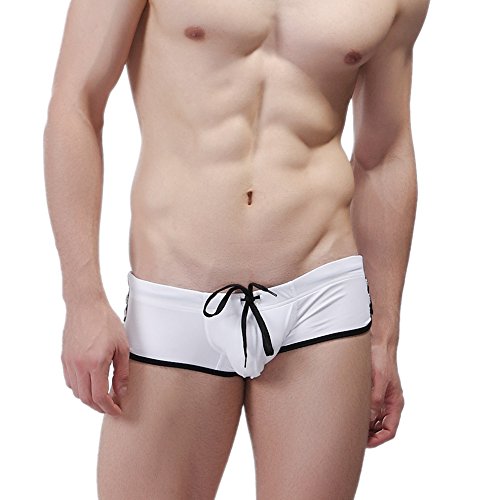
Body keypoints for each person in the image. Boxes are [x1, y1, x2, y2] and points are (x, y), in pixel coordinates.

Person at [43, 0, 430, 498]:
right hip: (175, 293)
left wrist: (385, 335)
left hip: (322, 298)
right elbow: (76, 104)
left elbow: (384, 152)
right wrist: (82, 299)